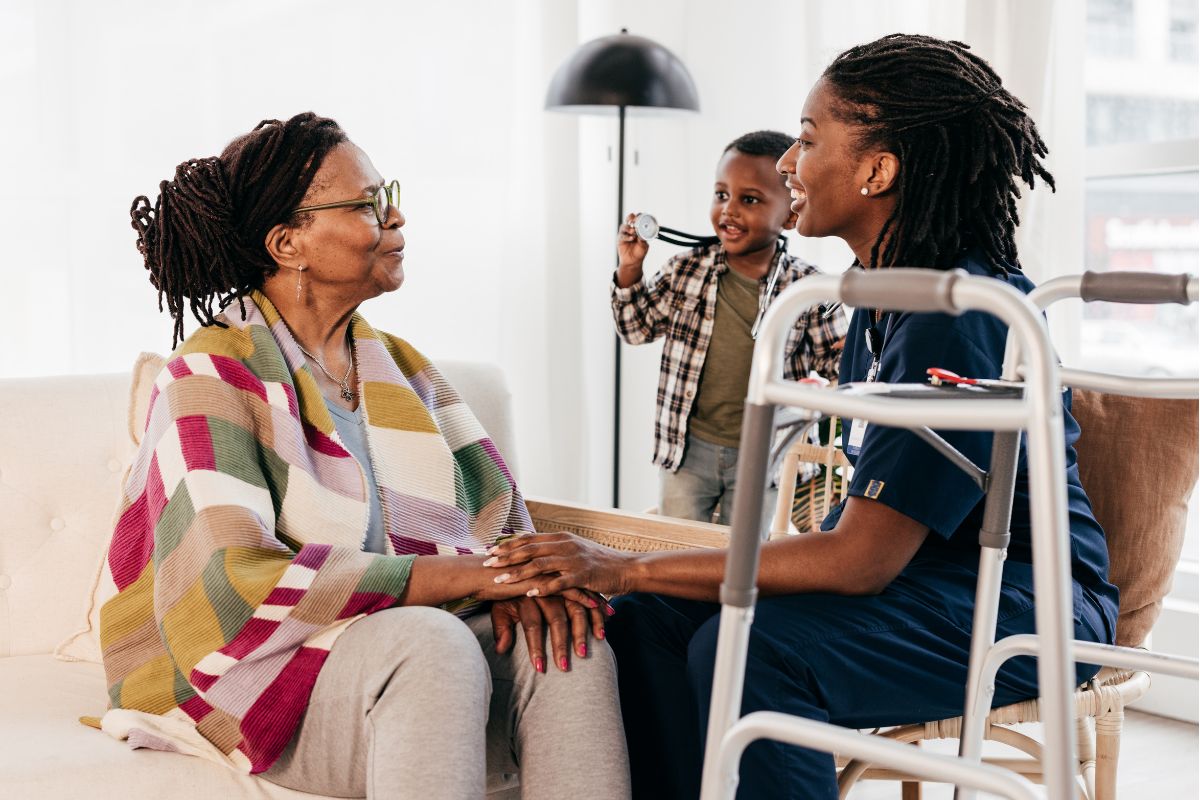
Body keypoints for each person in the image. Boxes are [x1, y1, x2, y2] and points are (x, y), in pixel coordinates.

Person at [484, 35, 1120, 799]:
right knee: (644, 621)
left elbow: (859, 559)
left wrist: (622, 561)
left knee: (749, 647)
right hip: (919, 589)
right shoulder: (872, 295)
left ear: (879, 170)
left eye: (809, 139)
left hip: (1029, 607)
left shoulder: (960, 314)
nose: (788, 163)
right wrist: (633, 582)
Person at [98, 112, 630, 800]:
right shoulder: (209, 377)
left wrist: (523, 585)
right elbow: (237, 581)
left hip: (393, 654)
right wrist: (473, 579)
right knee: (427, 644)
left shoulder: (405, 372)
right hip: (261, 671)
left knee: (568, 643)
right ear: (289, 243)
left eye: (389, 194)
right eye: (369, 204)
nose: (397, 217)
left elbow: (502, 530)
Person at [611, 130, 846, 529]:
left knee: (744, 559)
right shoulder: (686, 269)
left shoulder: (809, 289)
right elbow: (636, 329)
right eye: (722, 195)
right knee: (679, 550)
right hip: (687, 450)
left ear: (790, 215)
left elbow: (841, 367)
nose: (729, 211)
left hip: (765, 455)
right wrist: (630, 268)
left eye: (749, 199)